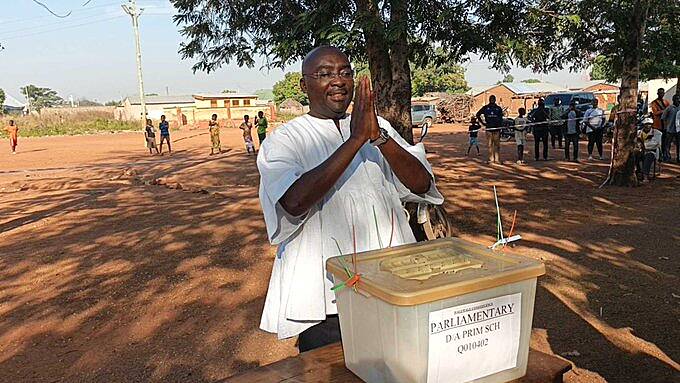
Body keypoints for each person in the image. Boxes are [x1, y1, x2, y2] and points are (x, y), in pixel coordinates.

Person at [256, 46, 442, 352]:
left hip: (391, 279)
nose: (338, 80)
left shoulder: (379, 129)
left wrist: (378, 139)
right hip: (327, 294)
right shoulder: (286, 139)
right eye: (325, 74)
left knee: (398, 361)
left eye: (345, 72)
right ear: (304, 85)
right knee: (331, 369)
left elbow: (421, 184)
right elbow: (293, 201)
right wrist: (355, 141)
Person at [475, 95, 504, 164]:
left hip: (497, 129)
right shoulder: (485, 108)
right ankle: (491, 159)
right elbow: (477, 114)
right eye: (491, 99)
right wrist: (482, 123)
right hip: (489, 129)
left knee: (497, 145)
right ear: (489, 99)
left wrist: (500, 127)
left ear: (495, 100)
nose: (492, 100)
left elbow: (501, 118)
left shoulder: (498, 108)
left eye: (493, 99)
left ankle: (497, 160)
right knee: (490, 145)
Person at [636, 117, 662, 182]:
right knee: (634, 155)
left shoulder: (657, 133)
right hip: (640, 151)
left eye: (649, 124)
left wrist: (644, 145)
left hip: (652, 151)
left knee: (648, 156)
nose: (648, 126)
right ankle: (637, 172)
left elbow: (656, 144)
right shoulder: (639, 132)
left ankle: (645, 176)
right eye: (646, 124)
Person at [650, 88, 670, 161]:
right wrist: (664, 111)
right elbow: (655, 113)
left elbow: (669, 110)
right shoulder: (654, 103)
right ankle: (658, 156)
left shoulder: (666, 102)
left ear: (664, 93)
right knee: (658, 142)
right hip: (657, 125)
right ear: (657, 93)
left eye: (662, 93)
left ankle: (665, 155)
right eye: (660, 93)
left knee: (665, 142)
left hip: (665, 125)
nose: (661, 94)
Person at [661, 94, 679, 162]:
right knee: (667, 145)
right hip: (670, 130)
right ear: (673, 100)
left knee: (678, 145)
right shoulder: (669, 108)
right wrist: (664, 128)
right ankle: (667, 158)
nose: (678, 100)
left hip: (678, 130)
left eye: (678, 99)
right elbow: (663, 118)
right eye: (676, 99)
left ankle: (678, 158)